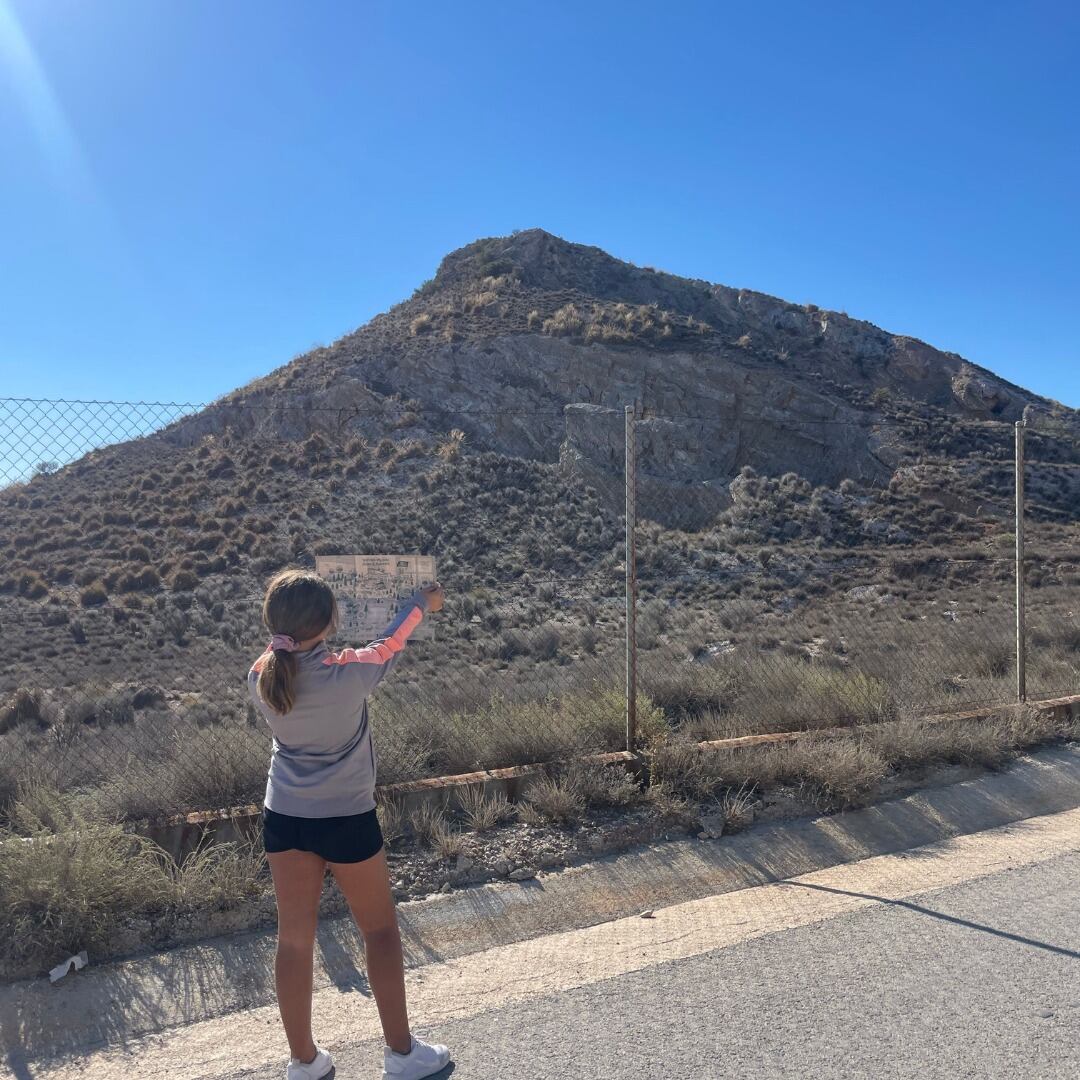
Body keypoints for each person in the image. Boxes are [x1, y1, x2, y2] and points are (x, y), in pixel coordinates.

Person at [248, 568, 450, 1080]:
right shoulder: (351, 673)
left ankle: (304, 1062)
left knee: (293, 940)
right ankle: (403, 1055)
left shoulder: (260, 678)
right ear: (331, 623)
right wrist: (420, 603)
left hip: (286, 817)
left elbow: (281, 658)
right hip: (347, 818)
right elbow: (390, 643)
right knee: (379, 931)